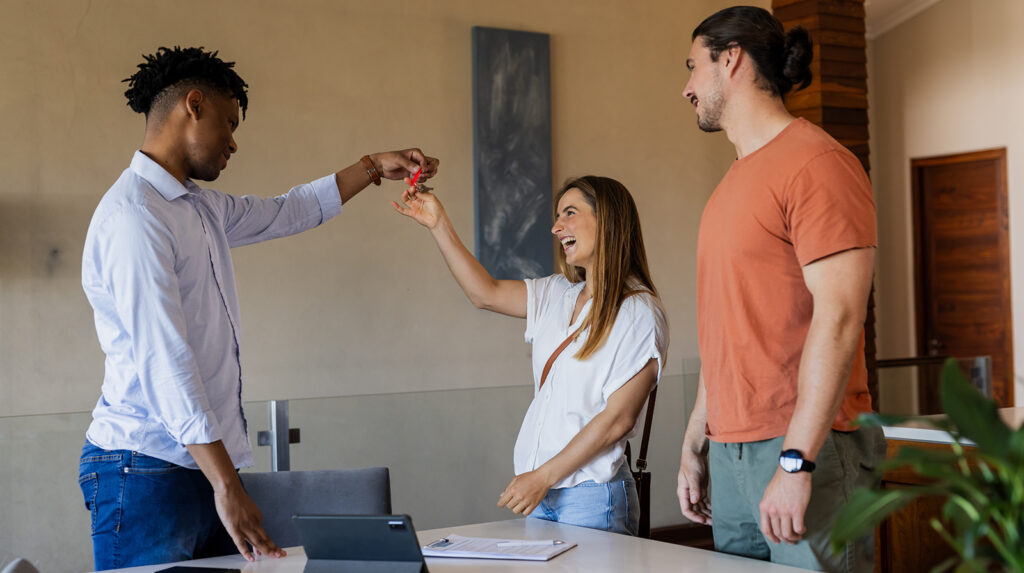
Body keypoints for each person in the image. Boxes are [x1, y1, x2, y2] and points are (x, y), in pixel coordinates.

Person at [78, 46, 438, 570]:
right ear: (193, 106)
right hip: (144, 469)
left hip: (191, 465)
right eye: (228, 123)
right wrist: (227, 483)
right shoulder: (135, 218)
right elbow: (165, 363)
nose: (233, 142)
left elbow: (288, 211)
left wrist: (372, 166)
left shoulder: (195, 207)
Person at [674, 7, 885, 572]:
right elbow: (730, 330)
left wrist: (797, 462)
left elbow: (840, 319)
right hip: (732, 449)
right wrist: (698, 441)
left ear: (731, 58)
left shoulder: (817, 165)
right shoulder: (731, 184)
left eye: (694, 67)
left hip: (805, 447)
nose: (687, 87)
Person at [393, 175, 668, 535]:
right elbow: (484, 293)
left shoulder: (638, 311)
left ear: (609, 219)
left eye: (569, 213)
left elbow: (618, 419)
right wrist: (438, 223)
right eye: (557, 216)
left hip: (591, 499)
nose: (556, 227)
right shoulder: (558, 294)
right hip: (542, 496)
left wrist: (541, 477)